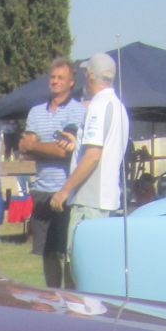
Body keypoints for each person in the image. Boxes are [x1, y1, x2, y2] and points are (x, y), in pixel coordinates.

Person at [52, 52, 131, 265]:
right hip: (107, 198)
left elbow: (93, 155)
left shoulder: (97, 106)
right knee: (100, 265)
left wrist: (64, 191)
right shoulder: (119, 107)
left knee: (81, 265)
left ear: (90, 76)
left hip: (89, 201)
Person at [18, 59, 87, 287]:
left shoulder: (77, 111)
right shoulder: (36, 112)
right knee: (46, 251)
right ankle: (52, 295)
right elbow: (24, 149)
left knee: (66, 251)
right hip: (41, 190)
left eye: (60, 78)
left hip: (66, 191)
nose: (55, 81)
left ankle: (70, 298)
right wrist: (43, 148)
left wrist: (37, 147)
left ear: (71, 82)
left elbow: (63, 151)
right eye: (53, 77)